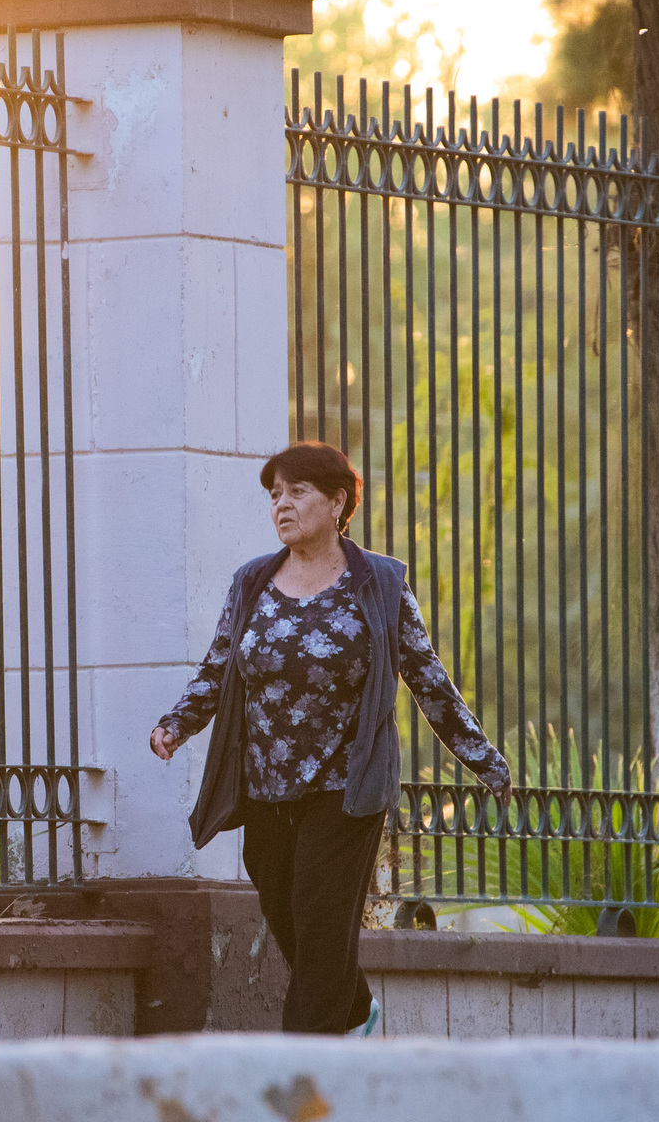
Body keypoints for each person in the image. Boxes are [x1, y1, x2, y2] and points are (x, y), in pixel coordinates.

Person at [151, 441, 510, 1037]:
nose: (281, 505)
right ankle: (356, 1012)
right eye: (274, 495)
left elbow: (428, 679)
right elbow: (219, 668)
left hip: (346, 786)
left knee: (320, 917)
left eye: (297, 492)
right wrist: (175, 724)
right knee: (287, 912)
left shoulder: (381, 584)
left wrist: (483, 759)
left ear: (337, 500)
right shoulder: (252, 583)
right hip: (265, 787)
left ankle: (305, 1065)